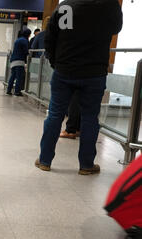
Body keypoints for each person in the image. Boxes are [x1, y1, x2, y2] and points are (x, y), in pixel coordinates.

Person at [35, 0, 122, 175]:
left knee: (55, 114)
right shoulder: (109, 6)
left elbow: (50, 37)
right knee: (90, 118)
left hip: (64, 70)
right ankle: (86, 165)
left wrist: (55, 62)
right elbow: (116, 28)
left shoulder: (66, 6)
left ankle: (45, 160)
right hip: (94, 72)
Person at [6, 28, 31, 96]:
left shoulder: (18, 40)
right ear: (28, 34)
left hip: (13, 60)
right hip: (19, 60)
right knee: (19, 77)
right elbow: (26, 51)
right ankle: (17, 91)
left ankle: (8, 90)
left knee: (13, 76)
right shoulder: (24, 40)